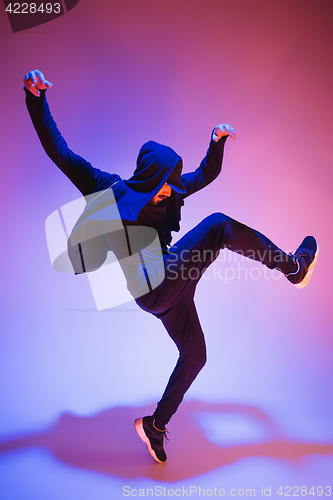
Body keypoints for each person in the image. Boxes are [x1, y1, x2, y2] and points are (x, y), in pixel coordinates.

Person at [24, 69, 319, 463]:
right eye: (165, 181)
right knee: (218, 225)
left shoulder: (172, 190)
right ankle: (292, 268)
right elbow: (59, 152)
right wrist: (36, 100)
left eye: (173, 181)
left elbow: (205, 175)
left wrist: (216, 144)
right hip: (152, 283)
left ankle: (154, 426)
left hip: (168, 290)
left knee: (195, 354)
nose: (170, 189)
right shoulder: (109, 188)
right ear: (149, 176)